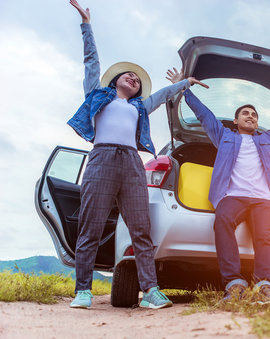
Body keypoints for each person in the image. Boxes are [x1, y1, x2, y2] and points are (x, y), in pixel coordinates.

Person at [67, 0, 207, 309]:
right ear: (114, 81)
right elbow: (91, 60)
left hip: (131, 162)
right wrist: (86, 24)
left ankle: (151, 292)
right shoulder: (97, 94)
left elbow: (162, 95)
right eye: (127, 75)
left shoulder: (138, 107)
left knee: (141, 229)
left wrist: (185, 82)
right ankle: (83, 291)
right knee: (90, 225)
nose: (132, 78)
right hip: (102, 158)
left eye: (137, 79)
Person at [182, 71, 270, 303]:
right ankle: (234, 284)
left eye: (254, 114)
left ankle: (266, 286)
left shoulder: (266, 139)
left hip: (262, 199)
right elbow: (205, 116)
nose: (250, 116)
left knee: (264, 239)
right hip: (233, 196)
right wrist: (185, 90)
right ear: (236, 121)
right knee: (222, 223)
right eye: (245, 113)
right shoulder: (224, 136)